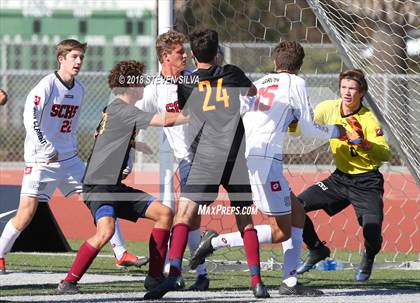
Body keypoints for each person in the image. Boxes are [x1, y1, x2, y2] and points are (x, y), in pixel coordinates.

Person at [190, 41, 346, 296]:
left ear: (275, 62)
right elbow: (306, 128)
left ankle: (290, 282)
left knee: (297, 212)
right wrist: (336, 131)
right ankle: (215, 241)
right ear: (299, 66)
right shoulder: (296, 83)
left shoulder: (259, 82)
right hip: (265, 161)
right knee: (281, 230)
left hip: (245, 155)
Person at [144, 28, 269, 300]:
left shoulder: (186, 82)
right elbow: (252, 91)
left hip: (206, 156)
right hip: (235, 157)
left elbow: (186, 112)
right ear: (217, 51)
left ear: (193, 54)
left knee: (184, 215)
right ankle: (257, 282)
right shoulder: (233, 73)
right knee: (245, 219)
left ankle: (175, 272)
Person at [0, 39, 143, 275]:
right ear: (61, 59)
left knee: (101, 195)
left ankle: (120, 253)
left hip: (69, 159)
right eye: (74, 57)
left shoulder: (80, 89)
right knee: (26, 213)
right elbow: (30, 118)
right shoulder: (46, 85)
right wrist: (45, 146)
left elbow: (73, 128)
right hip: (41, 160)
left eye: (81, 58)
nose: (78, 62)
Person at [57, 60, 189, 293]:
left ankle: (154, 278)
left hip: (114, 187)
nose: (143, 86)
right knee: (106, 231)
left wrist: (132, 144)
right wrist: (196, 113)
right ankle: (68, 281)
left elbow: (101, 134)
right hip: (98, 187)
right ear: (130, 86)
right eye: (140, 82)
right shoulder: (125, 110)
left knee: (165, 213)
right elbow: (166, 120)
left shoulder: (114, 108)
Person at [295, 69, 391, 282]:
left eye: (353, 88)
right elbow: (305, 127)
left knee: (372, 233)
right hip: (339, 180)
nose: (347, 92)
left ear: (362, 92)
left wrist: (364, 144)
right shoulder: (327, 108)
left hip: (367, 182)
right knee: (295, 206)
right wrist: (291, 118)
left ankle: (368, 258)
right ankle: (317, 249)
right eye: (344, 87)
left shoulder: (369, 119)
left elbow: (386, 153)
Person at [135, 30, 210, 291]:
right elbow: (134, 117)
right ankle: (199, 273)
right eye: (180, 52)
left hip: (213, 155)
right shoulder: (154, 89)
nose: (186, 55)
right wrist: (129, 144)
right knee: (190, 215)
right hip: (190, 160)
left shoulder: (195, 79)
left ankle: (178, 270)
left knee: (186, 213)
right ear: (166, 57)